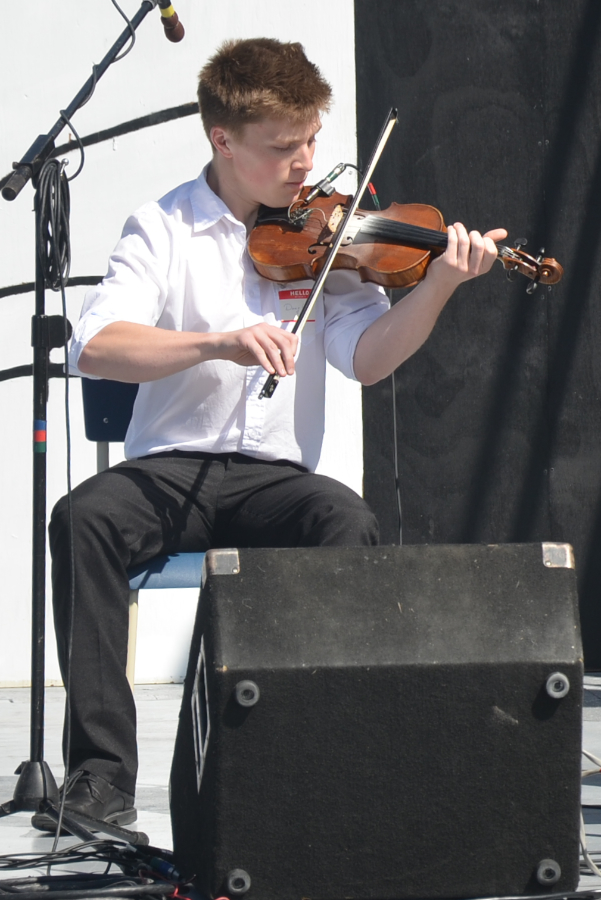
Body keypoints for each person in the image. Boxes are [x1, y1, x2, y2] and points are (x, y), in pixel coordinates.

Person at [34, 37, 506, 831]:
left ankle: (312, 762)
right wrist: (216, 343)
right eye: (283, 147)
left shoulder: (330, 234)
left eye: (312, 140)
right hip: (170, 471)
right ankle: (101, 779)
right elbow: (97, 346)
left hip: (273, 478)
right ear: (222, 140)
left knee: (345, 520)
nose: (305, 162)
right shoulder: (162, 227)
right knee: (82, 518)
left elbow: (366, 360)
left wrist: (439, 287)